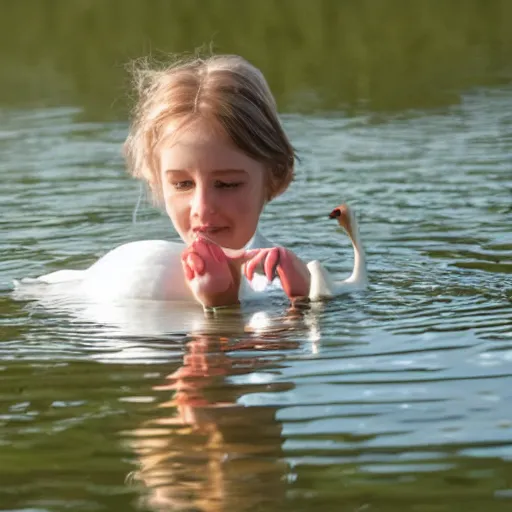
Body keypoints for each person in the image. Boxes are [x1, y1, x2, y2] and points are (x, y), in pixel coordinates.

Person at [123, 53, 332, 309]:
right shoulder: (142, 275)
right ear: (155, 180)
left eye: (227, 184)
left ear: (276, 176)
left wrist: (304, 301)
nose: (201, 207)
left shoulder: (292, 282)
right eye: (182, 184)